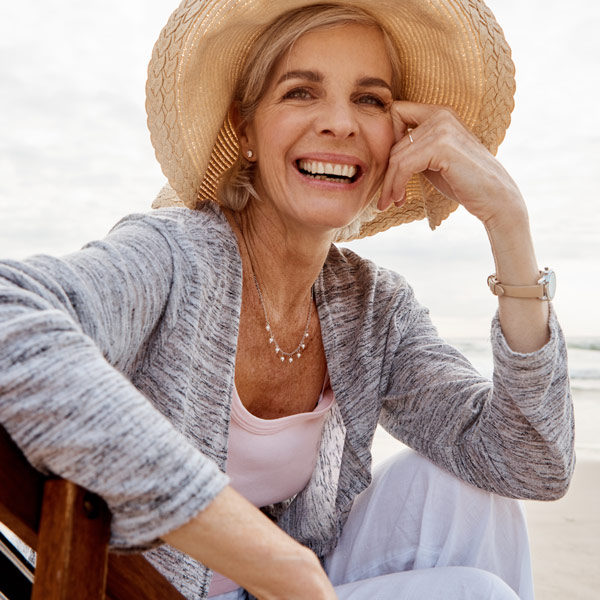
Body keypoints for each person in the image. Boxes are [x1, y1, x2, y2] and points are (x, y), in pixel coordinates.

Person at [0, 1, 574, 599]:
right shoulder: (175, 256)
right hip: (147, 589)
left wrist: (508, 224)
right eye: (301, 92)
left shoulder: (372, 307)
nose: (340, 123)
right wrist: (274, 561)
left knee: (462, 491)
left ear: (399, 138)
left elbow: (527, 461)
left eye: (371, 100)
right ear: (244, 130)